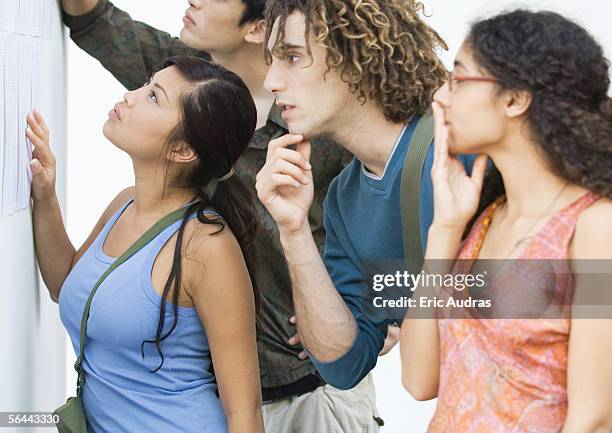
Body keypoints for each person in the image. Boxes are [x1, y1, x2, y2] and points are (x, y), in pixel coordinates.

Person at [58, 3, 386, 430]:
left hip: (312, 396)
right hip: (210, 404)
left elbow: (408, 204)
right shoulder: (183, 79)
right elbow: (94, 18)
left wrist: (380, 314)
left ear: (258, 27)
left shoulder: (326, 116)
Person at [255, 0, 475, 414]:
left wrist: (406, 296)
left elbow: (586, 287)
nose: (271, 81)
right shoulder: (344, 199)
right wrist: (294, 230)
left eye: (292, 56)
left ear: (355, 58)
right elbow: (343, 363)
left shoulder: (463, 143)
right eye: (272, 60)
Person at [400, 10, 612, 433]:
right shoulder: (483, 220)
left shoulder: (594, 227)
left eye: (458, 80)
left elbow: (595, 418)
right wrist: (445, 229)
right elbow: (419, 380)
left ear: (515, 99)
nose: (440, 97)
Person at [30, 56, 264, 433]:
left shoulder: (207, 247)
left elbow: (245, 412)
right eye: (145, 84)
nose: (130, 96)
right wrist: (46, 198)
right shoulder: (124, 203)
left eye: (153, 97)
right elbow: (65, 285)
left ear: (183, 150)